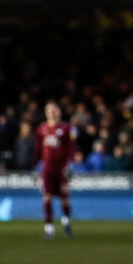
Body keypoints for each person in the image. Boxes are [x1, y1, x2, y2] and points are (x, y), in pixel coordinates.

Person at [36, 102, 77, 239]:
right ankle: (49, 228)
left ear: (59, 112)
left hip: (62, 169)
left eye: (54, 110)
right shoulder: (41, 129)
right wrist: (36, 165)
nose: (52, 112)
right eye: (49, 110)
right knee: (47, 196)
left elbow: (72, 147)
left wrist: (70, 164)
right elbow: (38, 148)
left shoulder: (66, 128)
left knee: (64, 198)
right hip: (48, 169)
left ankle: (65, 221)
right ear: (46, 113)